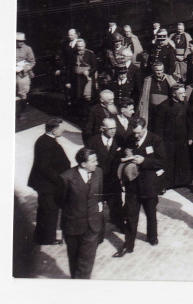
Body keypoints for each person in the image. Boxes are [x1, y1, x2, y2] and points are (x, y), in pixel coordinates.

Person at [113, 117, 165, 257]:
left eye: (138, 133)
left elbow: (161, 162)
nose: (135, 136)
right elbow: (124, 151)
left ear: (144, 128)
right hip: (133, 186)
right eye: (134, 132)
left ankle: (152, 237)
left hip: (149, 185)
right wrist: (126, 154)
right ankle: (128, 245)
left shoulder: (155, 140)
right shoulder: (130, 138)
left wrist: (144, 161)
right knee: (130, 216)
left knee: (151, 214)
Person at [57, 148, 103, 279]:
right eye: (93, 161)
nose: (97, 163)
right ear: (83, 164)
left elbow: (98, 195)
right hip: (73, 225)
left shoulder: (98, 173)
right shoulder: (66, 178)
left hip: (92, 225)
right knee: (74, 259)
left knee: (86, 262)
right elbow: (60, 201)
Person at [28, 119, 71, 245]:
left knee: (46, 211)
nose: (63, 130)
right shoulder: (47, 143)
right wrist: (60, 180)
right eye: (61, 128)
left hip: (46, 184)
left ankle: (42, 237)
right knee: (49, 212)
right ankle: (47, 239)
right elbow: (44, 167)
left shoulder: (45, 140)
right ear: (54, 130)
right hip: (48, 186)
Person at [86, 118, 124, 238]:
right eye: (110, 129)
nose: (113, 131)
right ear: (102, 129)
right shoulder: (93, 141)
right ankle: (98, 232)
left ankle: (119, 223)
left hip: (114, 180)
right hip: (99, 181)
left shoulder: (119, 140)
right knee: (98, 207)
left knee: (117, 204)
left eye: (114, 128)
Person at [154, 84, 193, 189]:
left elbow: (190, 122)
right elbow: (158, 126)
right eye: (181, 93)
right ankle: (168, 183)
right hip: (168, 140)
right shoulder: (163, 106)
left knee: (182, 160)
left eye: (184, 93)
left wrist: (190, 137)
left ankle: (182, 181)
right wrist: (159, 142)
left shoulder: (186, 104)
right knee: (169, 161)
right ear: (173, 94)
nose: (184, 95)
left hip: (182, 138)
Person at [16, 32, 36, 120]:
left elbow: (32, 62)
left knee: (23, 92)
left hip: (22, 74)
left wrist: (25, 68)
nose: (22, 43)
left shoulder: (28, 49)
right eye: (19, 41)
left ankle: (22, 112)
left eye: (23, 41)